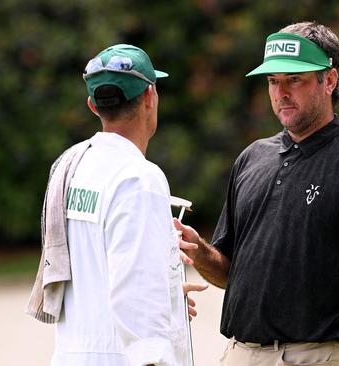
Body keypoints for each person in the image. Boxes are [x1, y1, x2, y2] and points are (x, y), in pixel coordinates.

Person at [174, 22, 339, 366]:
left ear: (329, 80)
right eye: (274, 82)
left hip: (316, 357)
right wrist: (199, 251)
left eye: (295, 79)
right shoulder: (251, 158)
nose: (281, 92)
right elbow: (229, 274)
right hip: (239, 354)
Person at [28, 44, 206, 366]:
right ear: (151, 97)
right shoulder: (139, 178)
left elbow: (96, 270)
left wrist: (167, 299)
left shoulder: (71, 165)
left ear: (93, 106)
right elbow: (136, 297)